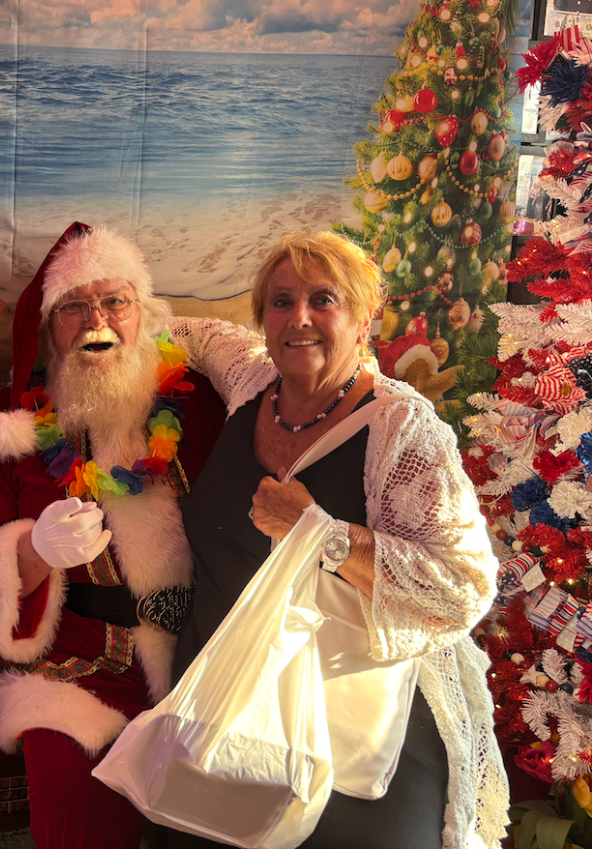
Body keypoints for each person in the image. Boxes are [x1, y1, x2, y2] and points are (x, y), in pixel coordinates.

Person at [165, 231, 509, 849]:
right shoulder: (252, 379)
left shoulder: (402, 428)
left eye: (323, 299)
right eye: (281, 301)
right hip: (225, 709)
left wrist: (323, 534)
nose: (299, 318)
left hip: (348, 734)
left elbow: (464, 587)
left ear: (363, 316)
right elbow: (200, 334)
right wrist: (113, 320)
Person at [0, 223, 226, 848]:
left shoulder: (200, 404)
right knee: (74, 813)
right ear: (48, 329)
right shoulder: (9, 423)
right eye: (73, 307)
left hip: (200, 654)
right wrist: (33, 552)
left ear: (142, 313)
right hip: (71, 670)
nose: (95, 321)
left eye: (114, 302)